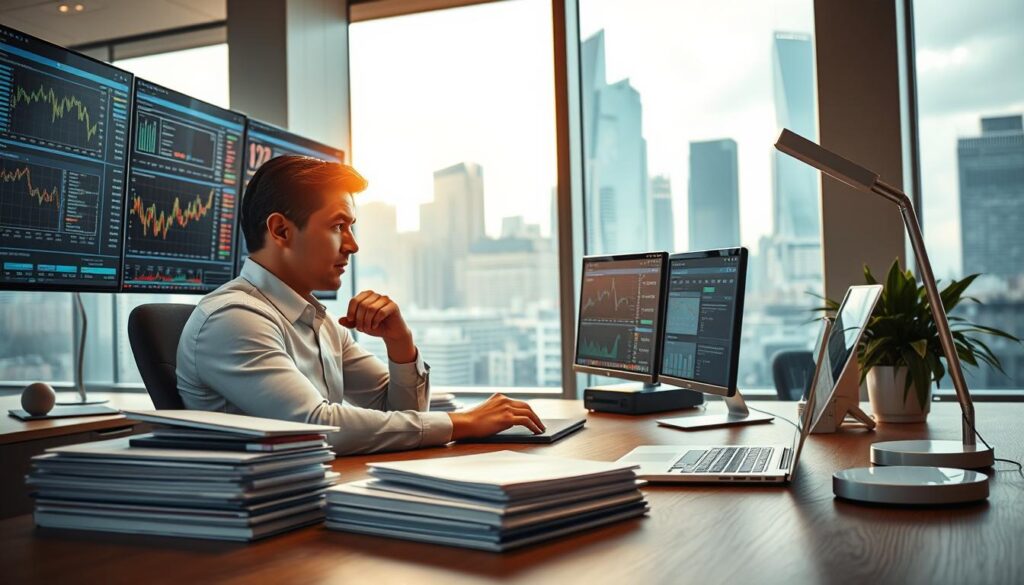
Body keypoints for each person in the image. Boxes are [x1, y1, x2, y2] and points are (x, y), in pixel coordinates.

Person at [176, 155, 544, 454]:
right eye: (339, 226)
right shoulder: (233, 318)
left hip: (313, 497)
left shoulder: (320, 322)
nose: (352, 245)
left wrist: (400, 344)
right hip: (260, 520)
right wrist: (462, 423)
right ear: (281, 231)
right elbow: (317, 427)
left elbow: (403, 417)